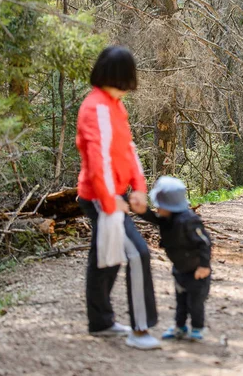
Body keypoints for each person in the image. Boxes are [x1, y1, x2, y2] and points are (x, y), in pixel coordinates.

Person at [76, 46, 159, 350]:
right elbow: (98, 162)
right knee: (137, 254)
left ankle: (100, 323)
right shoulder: (95, 107)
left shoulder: (115, 104)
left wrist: (138, 187)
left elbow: (128, 150)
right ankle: (140, 329)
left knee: (106, 259)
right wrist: (112, 201)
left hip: (113, 193)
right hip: (100, 196)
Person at [131, 176, 212, 341]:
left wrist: (204, 265)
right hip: (180, 269)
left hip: (196, 271)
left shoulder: (189, 221)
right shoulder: (168, 218)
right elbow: (155, 219)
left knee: (195, 303)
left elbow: (205, 243)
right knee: (181, 301)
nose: (157, 209)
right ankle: (179, 327)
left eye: (159, 205)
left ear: (169, 206)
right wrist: (142, 211)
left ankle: (197, 328)